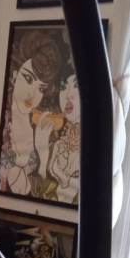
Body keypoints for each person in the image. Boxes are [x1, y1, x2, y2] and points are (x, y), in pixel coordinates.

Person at [0, 30, 63, 198]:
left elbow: (40, 194)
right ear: (15, 75)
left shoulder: (41, 128)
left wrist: (42, 155)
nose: (33, 95)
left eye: (41, 88)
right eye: (28, 79)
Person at [47, 72, 80, 205]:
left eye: (77, 86)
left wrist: (65, 179)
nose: (68, 95)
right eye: (63, 87)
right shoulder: (58, 143)